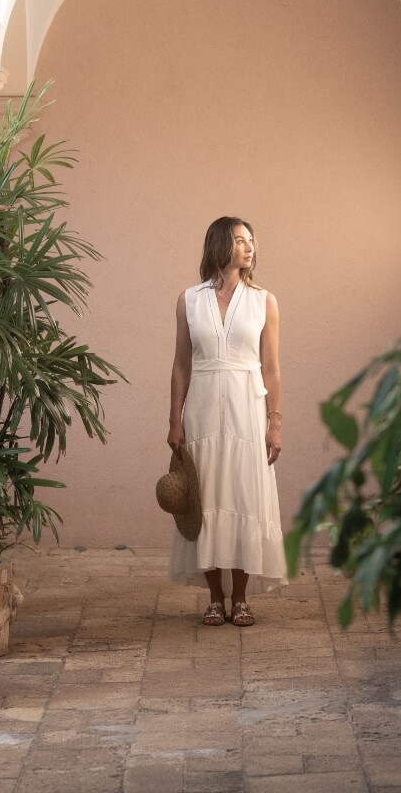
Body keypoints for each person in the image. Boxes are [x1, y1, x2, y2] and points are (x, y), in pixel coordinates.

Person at [167, 216, 287, 626]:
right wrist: (174, 419)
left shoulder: (263, 300)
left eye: (251, 240)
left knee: (243, 497)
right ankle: (215, 598)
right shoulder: (189, 299)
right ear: (220, 245)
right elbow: (182, 364)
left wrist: (275, 422)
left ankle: (241, 598)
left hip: (246, 410)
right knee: (206, 500)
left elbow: (271, 368)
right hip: (201, 408)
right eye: (240, 241)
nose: (249, 247)